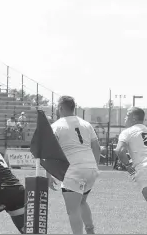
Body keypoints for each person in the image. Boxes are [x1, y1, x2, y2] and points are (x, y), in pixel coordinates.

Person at [49, 96, 101, 234]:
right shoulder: (86, 124)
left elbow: (50, 153)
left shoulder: (56, 126)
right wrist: (95, 166)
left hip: (73, 170)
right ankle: (90, 230)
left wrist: (48, 175)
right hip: (90, 169)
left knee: (72, 210)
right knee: (82, 202)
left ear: (60, 108)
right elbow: (97, 147)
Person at [114, 107, 147, 201]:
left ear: (134, 119)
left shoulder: (127, 132)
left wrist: (128, 166)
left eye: (127, 115)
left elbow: (119, 150)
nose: (125, 118)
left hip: (143, 169)